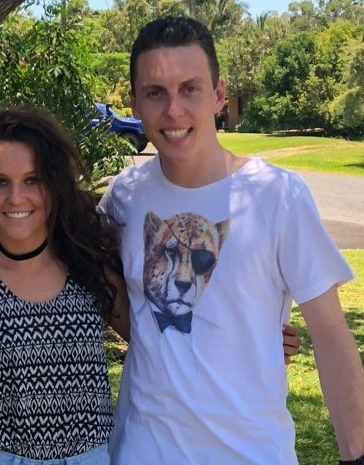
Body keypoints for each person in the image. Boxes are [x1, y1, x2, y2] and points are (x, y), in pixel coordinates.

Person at [99, 16, 364, 464]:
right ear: (135, 104)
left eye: (190, 88)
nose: (174, 110)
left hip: (252, 453)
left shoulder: (278, 196)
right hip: (142, 450)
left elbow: (332, 334)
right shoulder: (124, 197)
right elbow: (105, 296)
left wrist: (356, 455)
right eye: (156, 93)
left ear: (219, 95)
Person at [0, 107, 130, 465]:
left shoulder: (89, 261)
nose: (16, 198)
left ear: (54, 183)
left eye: (32, 180)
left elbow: (155, 344)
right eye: (0, 182)